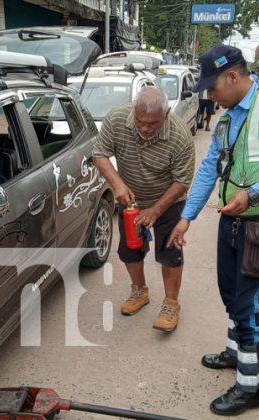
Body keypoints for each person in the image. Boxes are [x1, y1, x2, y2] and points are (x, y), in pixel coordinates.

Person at [167, 44, 259, 415]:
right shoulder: (228, 117)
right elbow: (208, 169)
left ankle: (251, 386)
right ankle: (236, 353)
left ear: (233, 76)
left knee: (247, 306)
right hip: (232, 223)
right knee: (231, 294)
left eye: (212, 88)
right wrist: (187, 216)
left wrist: (255, 192)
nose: (209, 96)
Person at [92, 86, 195, 332]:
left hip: (169, 202)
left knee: (170, 251)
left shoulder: (180, 136)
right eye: (140, 121)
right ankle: (139, 291)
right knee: (130, 250)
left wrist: (157, 210)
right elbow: (99, 153)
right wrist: (117, 184)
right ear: (133, 111)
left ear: (167, 113)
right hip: (131, 202)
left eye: (153, 123)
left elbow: (182, 180)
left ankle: (171, 303)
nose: (145, 128)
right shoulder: (117, 119)